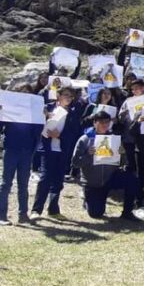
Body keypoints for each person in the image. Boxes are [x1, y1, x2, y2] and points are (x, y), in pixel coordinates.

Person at [72, 112, 140, 221]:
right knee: (96, 213)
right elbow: (75, 163)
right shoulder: (85, 140)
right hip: (93, 182)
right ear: (94, 123)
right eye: (101, 122)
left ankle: (127, 212)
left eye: (107, 122)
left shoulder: (114, 139)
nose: (105, 125)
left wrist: (122, 154)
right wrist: (88, 155)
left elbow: (122, 163)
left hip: (110, 177)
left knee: (132, 180)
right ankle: (88, 199)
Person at [30, 87, 82, 220]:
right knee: (45, 179)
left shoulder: (74, 111)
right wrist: (44, 117)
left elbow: (75, 131)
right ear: (58, 96)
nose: (69, 98)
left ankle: (53, 209)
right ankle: (36, 210)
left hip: (63, 149)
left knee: (58, 180)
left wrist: (59, 135)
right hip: (48, 148)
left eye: (71, 96)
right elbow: (36, 124)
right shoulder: (48, 108)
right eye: (66, 95)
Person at [0, 85, 44, 226]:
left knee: (23, 184)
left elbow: (37, 134)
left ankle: (23, 215)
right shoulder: (10, 112)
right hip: (11, 149)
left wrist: (42, 116)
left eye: (28, 94)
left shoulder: (34, 114)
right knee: (6, 183)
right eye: (22, 93)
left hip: (26, 152)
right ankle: (2, 215)